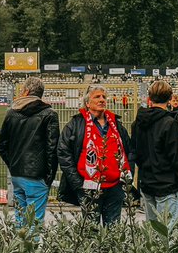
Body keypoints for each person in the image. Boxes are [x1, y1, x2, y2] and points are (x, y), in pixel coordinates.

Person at [57, 85, 133, 226]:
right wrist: (77, 183)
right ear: (87, 103)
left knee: (113, 230)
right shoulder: (76, 124)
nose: (102, 100)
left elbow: (128, 151)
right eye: (97, 97)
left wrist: (125, 179)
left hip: (115, 187)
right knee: (90, 231)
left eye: (104, 97)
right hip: (88, 187)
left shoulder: (115, 123)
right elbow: (63, 152)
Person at [0, 76, 60, 228]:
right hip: (37, 176)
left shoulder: (11, 113)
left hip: (18, 174)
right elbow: (52, 149)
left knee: (20, 221)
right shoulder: (49, 114)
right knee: (35, 223)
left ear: (25, 91)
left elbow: (2, 146)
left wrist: (13, 164)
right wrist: (49, 177)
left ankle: (20, 250)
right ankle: (31, 251)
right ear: (40, 94)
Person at [130, 80, 178, 226]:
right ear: (170, 99)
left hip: (147, 182)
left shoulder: (138, 122)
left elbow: (134, 152)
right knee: (166, 233)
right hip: (167, 184)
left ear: (149, 97)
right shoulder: (169, 123)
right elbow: (176, 157)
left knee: (153, 231)